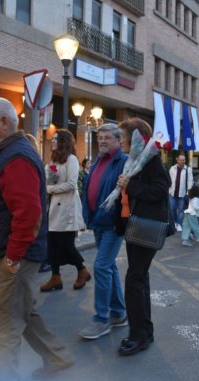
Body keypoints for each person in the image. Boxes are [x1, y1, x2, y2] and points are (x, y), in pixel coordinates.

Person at [0, 98, 74, 381]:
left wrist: (13, 256)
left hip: (11, 255)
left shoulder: (16, 157)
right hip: (0, 252)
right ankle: (57, 357)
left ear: (4, 123)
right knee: (22, 312)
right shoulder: (3, 152)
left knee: (4, 325)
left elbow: (28, 213)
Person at [114, 118, 170, 356]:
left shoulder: (150, 159)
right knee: (139, 277)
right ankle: (143, 331)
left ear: (136, 138)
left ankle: (139, 335)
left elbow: (161, 188)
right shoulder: (137, 159)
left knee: (135, 279)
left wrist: (130, 186)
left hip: (145, 226)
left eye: (122, 136)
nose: (120, 141)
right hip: (135, 224)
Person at [79, 123, 128, 340]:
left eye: (107, 137)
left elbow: (131, 190)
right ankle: (118, 313)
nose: (103, 141)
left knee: (100, 266)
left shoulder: (124, 161)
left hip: (112, 224)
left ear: (119, 141)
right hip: (98, 222)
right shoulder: (100, 160)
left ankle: (101, 319)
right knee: (109, 267)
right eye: (100, 138)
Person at [39, 130, 90, 292]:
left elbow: (72, 184)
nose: (52, 141)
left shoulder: (72, 159)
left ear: (64, 142)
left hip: (67, 209)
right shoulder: (53, 161)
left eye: (55, 139)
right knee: (52, 245)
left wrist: (49, 188)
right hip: (52, 209)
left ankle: (82, 269)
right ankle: (55, 277)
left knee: (66, 245)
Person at [169, 153, 193, 231]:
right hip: (172, 193)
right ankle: (175, 222)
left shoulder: (188, 169)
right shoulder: (172, 168)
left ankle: (179, 224)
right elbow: (169, 180)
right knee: (172, 209)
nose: (182, 161)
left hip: (182, 194)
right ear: (177, 160)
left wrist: (189, 192)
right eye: (180, 160)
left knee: (181, 210)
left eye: (183, 160)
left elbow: (190, 181)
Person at [181, 183, 199, 247]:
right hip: (192, 214)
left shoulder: (191, 197)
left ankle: (185, 240)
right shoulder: (196, 199)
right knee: (196, 227)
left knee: (186, 227)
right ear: (198, 192)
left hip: (187, 213)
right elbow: (195, 207)